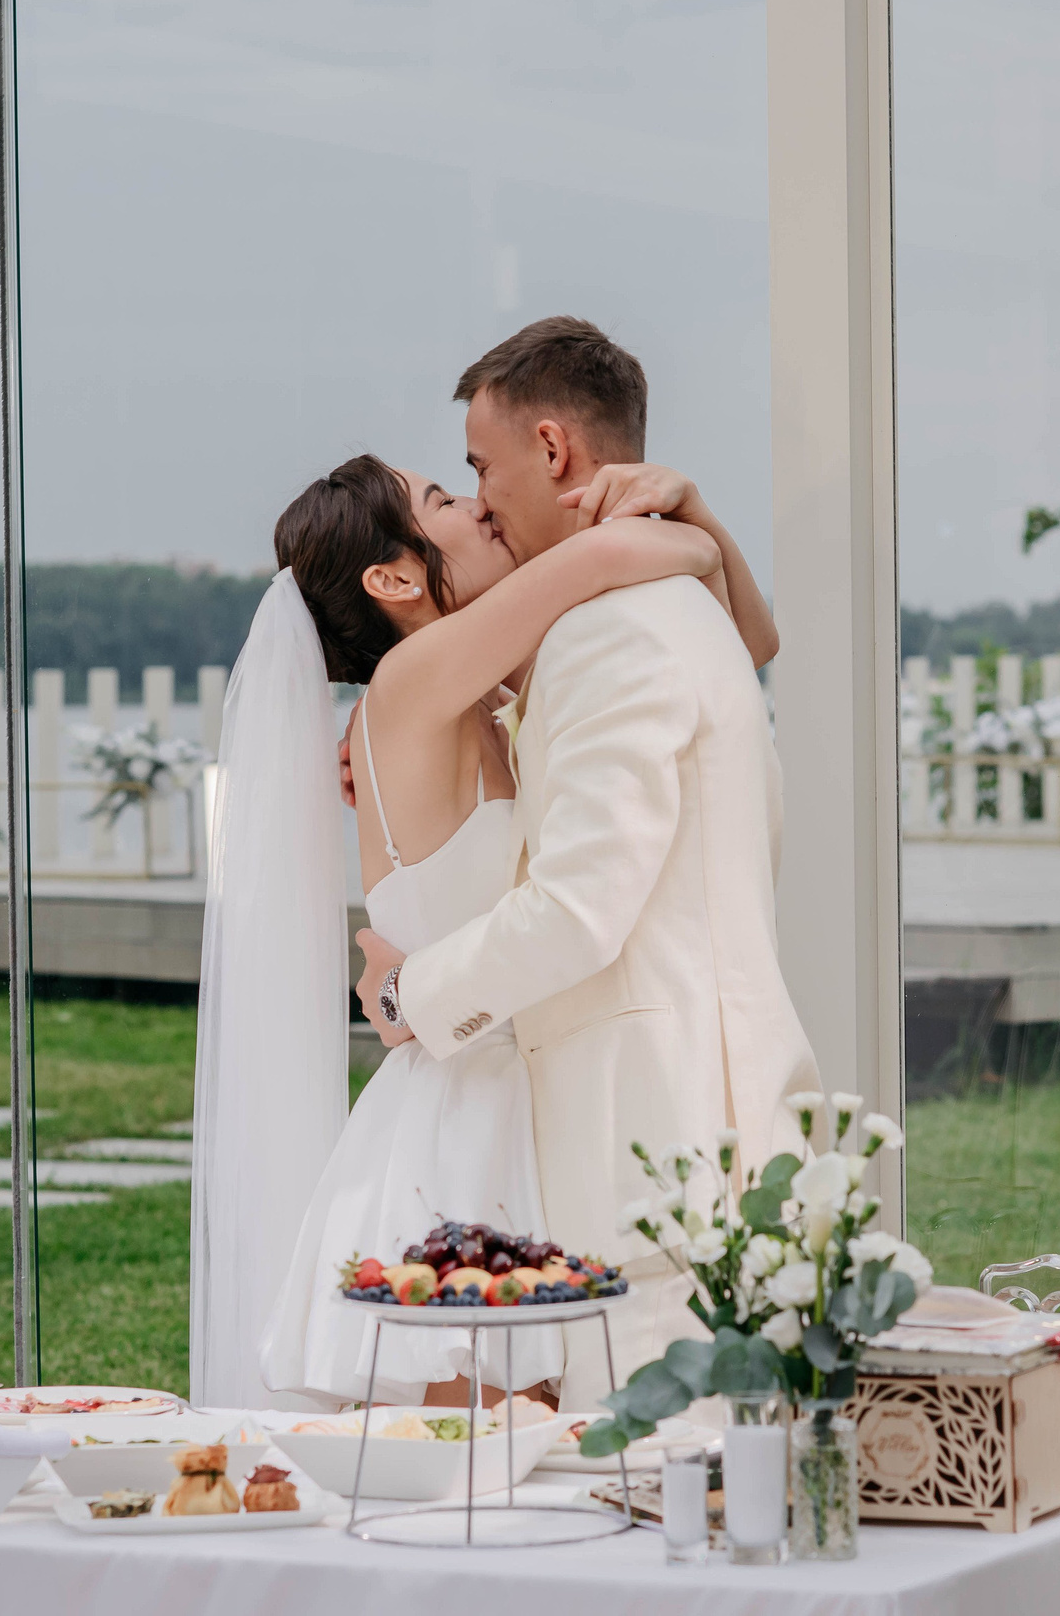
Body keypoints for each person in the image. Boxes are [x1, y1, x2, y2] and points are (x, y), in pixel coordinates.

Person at [216, 446, 774, 1410]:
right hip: (461, 1123)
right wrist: (681, 515)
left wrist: (694, 518)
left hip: (516, 1083)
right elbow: (599, 562)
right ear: (393, 576)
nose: (478, 505)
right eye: (441, 498)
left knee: (531, 1431)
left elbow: (748, 644)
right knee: (477, 1438)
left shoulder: (479, 699)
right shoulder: (412, 681)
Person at [355, 317, 825, 1409]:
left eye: (480, 465)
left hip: (661, 1137)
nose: (479, 497)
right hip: (677, 1125)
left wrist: (405, 988)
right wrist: (700, 529)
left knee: (665, 1496)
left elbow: (578, 908)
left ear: (554, 450)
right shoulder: (663, 610)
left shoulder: (613, 630)